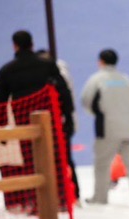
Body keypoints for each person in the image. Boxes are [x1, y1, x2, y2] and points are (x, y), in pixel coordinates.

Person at [0, 31, 76, 211]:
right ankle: (60, 199)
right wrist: (67, 117)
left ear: (15, 45)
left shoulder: (6, 70)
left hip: (25, 123)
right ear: (32, 44)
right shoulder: (47, 64)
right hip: (50, 121)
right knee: (54, 159)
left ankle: (35, 202)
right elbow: (63, 91)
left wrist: (1, 130)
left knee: (31, 162)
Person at [80, 48, 129, 206]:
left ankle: (100, 197)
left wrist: (98, 113)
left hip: (108, 127)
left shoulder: (97, 79)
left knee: (102, 164)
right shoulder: (126, 79)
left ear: (101, 61)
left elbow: (86, 100)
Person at [36, 48, 80, 203]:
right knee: (66, 160)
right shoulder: (60, 73)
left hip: (57, 124)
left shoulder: (51, 74)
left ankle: (63, 196)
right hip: (62, 123)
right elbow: (69, 101)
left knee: (57, 160)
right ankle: (72, 195)